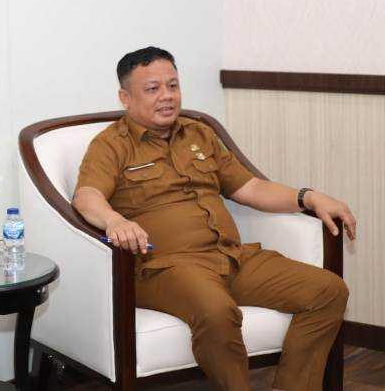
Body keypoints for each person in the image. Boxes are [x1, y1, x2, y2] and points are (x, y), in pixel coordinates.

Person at [72, 47, 357, 391]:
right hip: (165, 266)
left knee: (328, 290)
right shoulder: (111, 145)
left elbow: (250, 188)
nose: (167, 96)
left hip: (231, 256)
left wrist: (307, 196)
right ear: (125, 98)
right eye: (152, 89)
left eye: (173, 85)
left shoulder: (199, 133)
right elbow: (86, 197)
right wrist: (114, 220)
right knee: (217, 312)